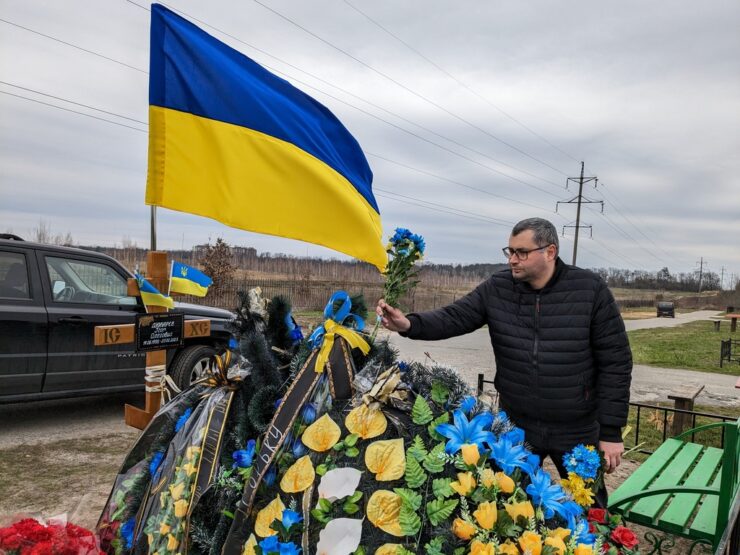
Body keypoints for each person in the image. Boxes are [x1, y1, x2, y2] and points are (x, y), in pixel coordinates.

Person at [376, 217, 632, 507]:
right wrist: (409, 324)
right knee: (506, 504)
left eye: (521, 252)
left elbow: (616, 361)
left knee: (590, 509)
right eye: (509, 251)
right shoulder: (498, 288)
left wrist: (610, 431)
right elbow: (455, 317)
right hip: (517, 423)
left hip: (576, 426)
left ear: (550, 252)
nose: (512, 259)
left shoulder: (589, 290)